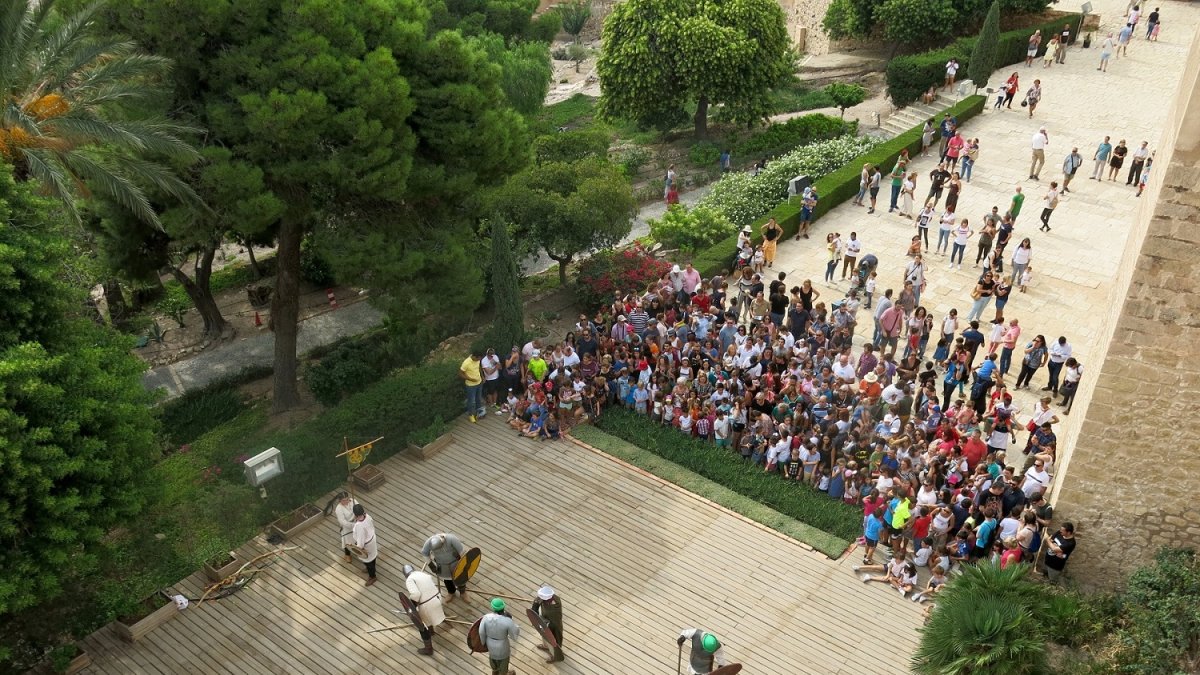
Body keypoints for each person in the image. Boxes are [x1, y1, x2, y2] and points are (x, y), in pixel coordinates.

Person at [403, 563, 445, 656]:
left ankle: (428, 649)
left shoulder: (410, 579)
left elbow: (416, 594)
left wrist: (412, 605)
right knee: (427, 616)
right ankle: (431, 631)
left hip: (427, 604)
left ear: (405, 574)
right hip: (437, 599)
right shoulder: (422, 574)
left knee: (422, 625)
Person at [422, 532, 470, 602]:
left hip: (455, 563)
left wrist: (463, 564)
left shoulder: (451, 538)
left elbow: (462, 552)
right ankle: (451, 592)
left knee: (460, 578)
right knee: (447, 581)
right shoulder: (429, 543)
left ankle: (463, 593)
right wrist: (431, 565)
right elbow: (424, 553)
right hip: (442, 565)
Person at [479, 598, 520, 675]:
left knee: (493, 660)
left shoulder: (486, 618)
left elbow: (481, 632)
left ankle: (495, 671)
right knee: (503, 662)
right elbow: (514, 634)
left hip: (490, 643)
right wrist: (514, 623)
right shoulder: (507, 620)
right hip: (502, 645)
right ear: (503, 607)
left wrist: (483, 643)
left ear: (493, 608)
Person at [532, 585, 564, 663]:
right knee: (545, 636)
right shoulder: (546, 600)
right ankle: (546, 646)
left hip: (554, 624)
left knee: (554, 640)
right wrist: (536, 604)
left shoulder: (554, 605)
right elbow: (535, 609)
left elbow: (551, 619)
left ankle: (555, 655)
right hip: (546, 621)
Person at [351, 504, 379, 587]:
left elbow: (361, 540)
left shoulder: (359, 526)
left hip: (366, 545)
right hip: (372, 540)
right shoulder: (367, 516)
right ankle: (371, 569)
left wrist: (358, 548)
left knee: (368, 561)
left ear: (355, 515)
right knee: (372, 556)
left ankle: (372, 576)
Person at [332, 491, 358, 563]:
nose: (346, 501)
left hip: (356, 522)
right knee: (348, 542)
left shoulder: (353, 501)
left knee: (358, 538)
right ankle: (347, 555)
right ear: (340, 501)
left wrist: (358, 516)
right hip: (347, 527)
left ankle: (359, 550)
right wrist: (353, 525)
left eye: (347, 499)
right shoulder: (338, 509)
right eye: (343, 500)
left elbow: (359, 509)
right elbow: (342, 521)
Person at [462, 350, 485, 422]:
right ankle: (471, 415)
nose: (479, 360)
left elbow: (479, 368)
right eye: (478, 359)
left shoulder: (478, 360)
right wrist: (470, 379)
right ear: (474, 356)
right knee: (472, 401)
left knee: (479, 398)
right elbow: (460, 373)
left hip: (479, 383)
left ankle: (479, 412)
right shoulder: (466, 363)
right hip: (471, 385)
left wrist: (482, 377)